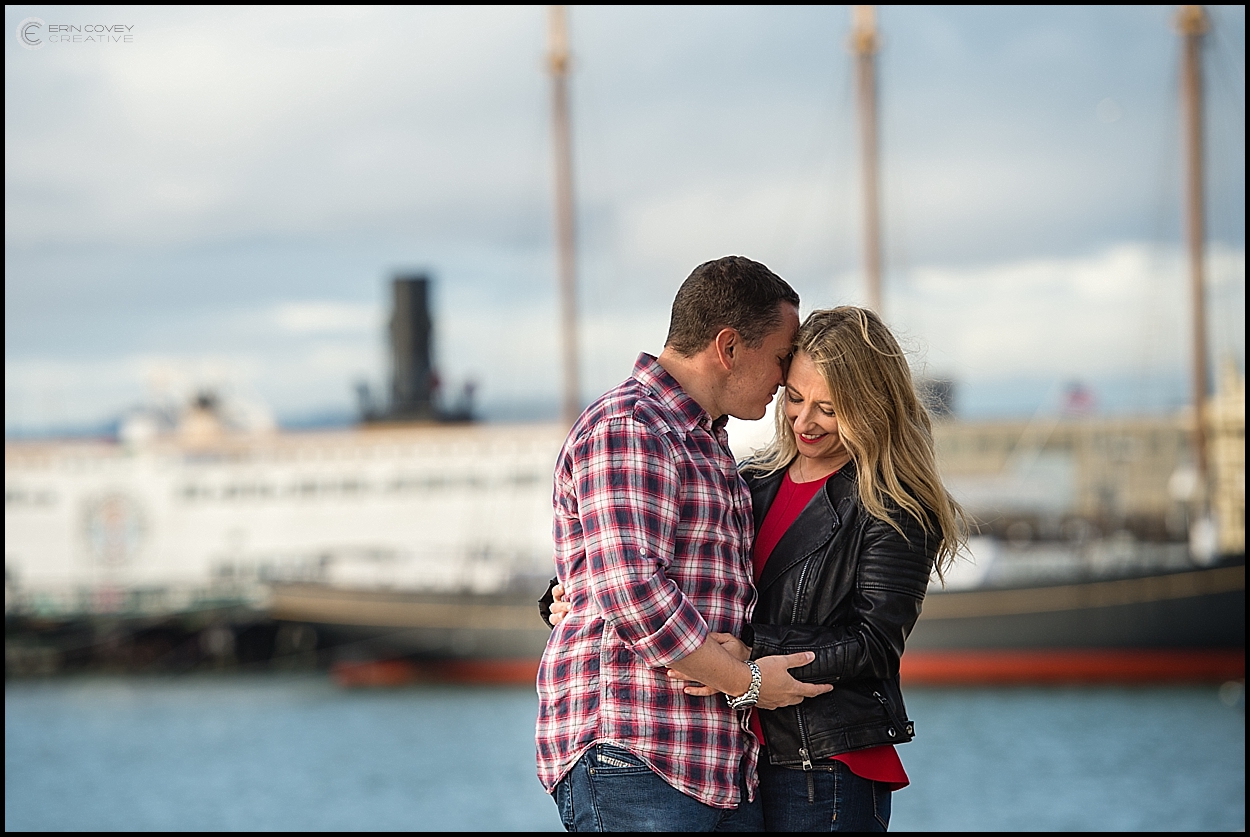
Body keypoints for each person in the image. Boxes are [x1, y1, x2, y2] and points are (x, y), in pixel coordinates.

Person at [550, 306, 968, 831]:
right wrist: (569, 594)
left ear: (871, 409)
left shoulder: (894, 505)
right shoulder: (748, 480)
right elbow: (666, 561)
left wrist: (754, 656)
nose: (804, 420)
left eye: (830, 409)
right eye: (794, 397)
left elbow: (875, 644)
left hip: (823, 758)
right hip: (735, 757)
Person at [535, 256, 832, 833]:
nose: (783, 378)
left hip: (710, 763)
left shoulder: (707, 445)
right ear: (728, 347)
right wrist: (750, 685)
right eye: (779, 357)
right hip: (637, 754)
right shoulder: (632, 427)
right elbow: (633, 592)